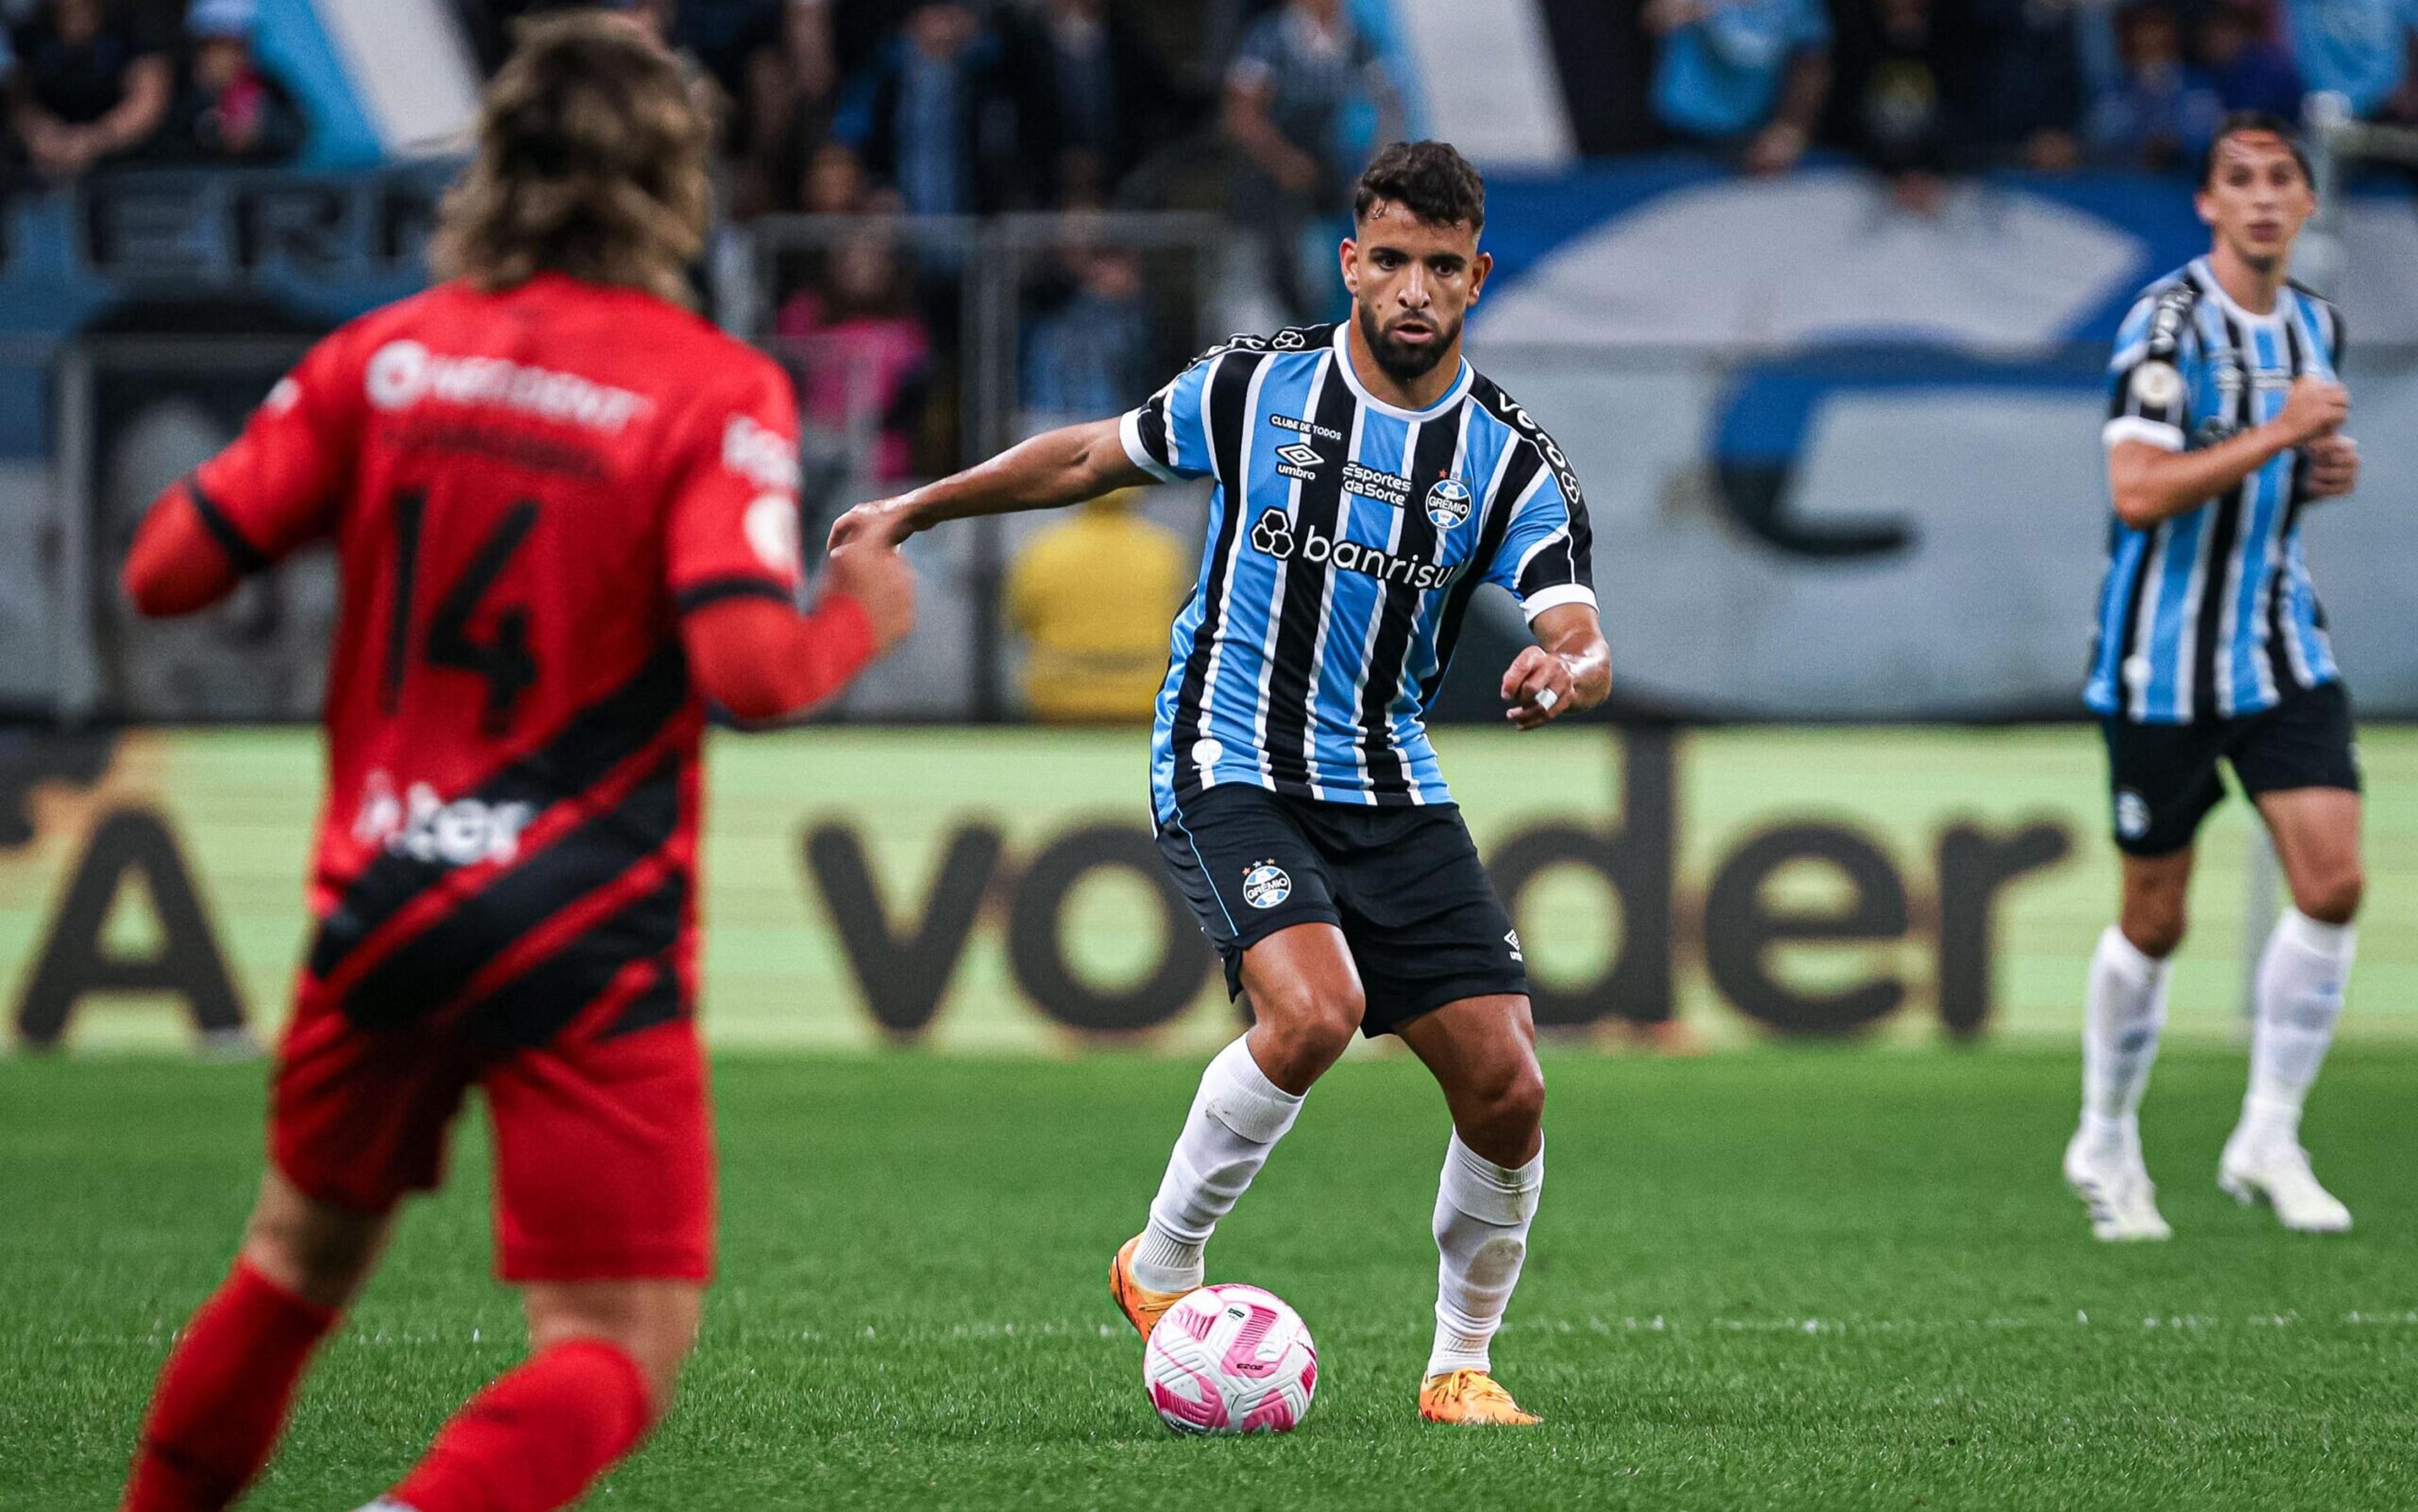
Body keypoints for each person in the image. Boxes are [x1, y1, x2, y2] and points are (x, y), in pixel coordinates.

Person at [111, 17, 913, 1512]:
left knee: (291, 1271)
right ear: (675, 180)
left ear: (497, 170)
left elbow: (164, 571)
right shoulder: (707, 386)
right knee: (617, 1343)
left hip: (385, 894)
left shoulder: (385, 355)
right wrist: (859, 616)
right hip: (576, 926)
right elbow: (750, 675)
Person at [833, 140, 1607, 1425]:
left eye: (1442, 267)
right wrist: (913, 508)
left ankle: (1458, 1365)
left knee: (1509, 1086)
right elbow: (1088, 459)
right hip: (1226, 751)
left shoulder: (1512, 460)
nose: (1415, 289)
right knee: (1311, 1012)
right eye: (1392, 261)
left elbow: (1575, 624)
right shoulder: (1257, 388)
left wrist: (1562, 670)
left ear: (1477, 278)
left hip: (1388, 778)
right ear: (1352, 263)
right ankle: (1163, 1263)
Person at [2072, 111, 2363, 1244]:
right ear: (2207, 203)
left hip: (2281, 648)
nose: (2258, 197)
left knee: (2333, 882)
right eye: (2236, 179)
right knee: (2155, 918)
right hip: (2160, 662)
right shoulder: (2165, 324)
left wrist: (2317, 466)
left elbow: (2279, 470)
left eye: (2278, 179)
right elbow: (2139, 490)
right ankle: (2103, 1133)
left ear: (2304, 202)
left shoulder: (2318, 323)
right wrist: (2282, 431)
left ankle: (2271, 1132)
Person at [1006, 487, 1188, 724]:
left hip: (1059, 700)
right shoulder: (1165, 553)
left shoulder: (1045, 550)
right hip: (1145, 699)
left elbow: (1018, 622)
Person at [1643, 0, 1832, 175]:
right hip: (1678, 129)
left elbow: (1812, 60)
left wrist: (1790, 129)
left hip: (1755, 134)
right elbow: (1655, 16)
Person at [8, 0, 171, 180]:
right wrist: (43, 136)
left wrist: (93, 141)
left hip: (131, 169)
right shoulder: (29, 25)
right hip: (43, 170)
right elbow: (19, 99)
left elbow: (149, 98)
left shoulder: (136, 21)